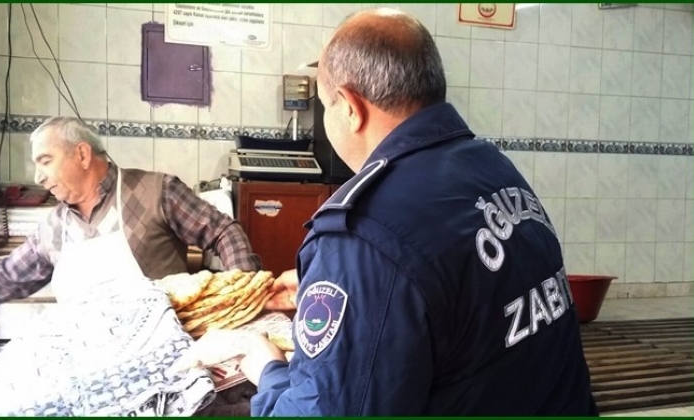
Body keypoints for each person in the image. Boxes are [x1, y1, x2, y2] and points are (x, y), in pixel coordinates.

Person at [180, 8, 598, 416]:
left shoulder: (362, 233)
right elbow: (453, 291)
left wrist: (268, 368)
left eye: (325, 106)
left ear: (350, 106)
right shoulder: (490, 166)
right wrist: (334, 285)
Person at [0, 116, 261, 415]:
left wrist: (245, 294)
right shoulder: (54, 227)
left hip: (163, 375)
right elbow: (9, 275)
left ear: (81, 154)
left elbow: (223, 231)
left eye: (45, 160)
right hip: (89, 380)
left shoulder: (156, 192)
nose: (38, 176)